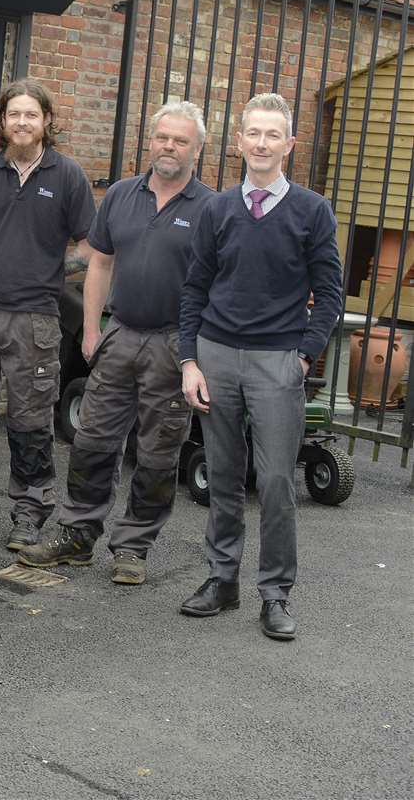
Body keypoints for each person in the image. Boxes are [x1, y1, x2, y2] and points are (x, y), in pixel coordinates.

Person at [17, 101, 210, 585]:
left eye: (180, 140)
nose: (169, 147)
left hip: (173, 342)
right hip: (121, 333)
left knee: (159, 451)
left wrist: (196, 351)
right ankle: (77, 536)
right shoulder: (123, 195)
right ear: (151, 140)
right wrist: (91, 329)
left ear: (198, 149)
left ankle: (133, 547)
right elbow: (99, 264)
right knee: (93, 440)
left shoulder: (212, 209)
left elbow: (218, 284)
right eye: (162, 137)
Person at [176, 92, 342, 641]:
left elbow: (330, 293)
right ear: (240, 142)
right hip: (217, 357)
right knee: (222, 475)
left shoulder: (312, 211)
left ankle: (275, 594)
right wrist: (189, 360)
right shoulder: (217, 210)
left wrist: (301, 355)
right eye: (253, 133)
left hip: (277, 362)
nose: (262, 143)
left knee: (273, 480)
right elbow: (195, 288)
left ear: (289, 145)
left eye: (273, 135)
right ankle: (222, 580)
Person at [0, 78, 96, 549]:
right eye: (15, 115)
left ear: (47, 121)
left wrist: (49, 268)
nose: (23, 122)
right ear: (2, 123)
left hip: (35, 318)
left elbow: (90, 247)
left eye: (32, 114)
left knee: (31, 419)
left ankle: (28, 513)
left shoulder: (68, 176)